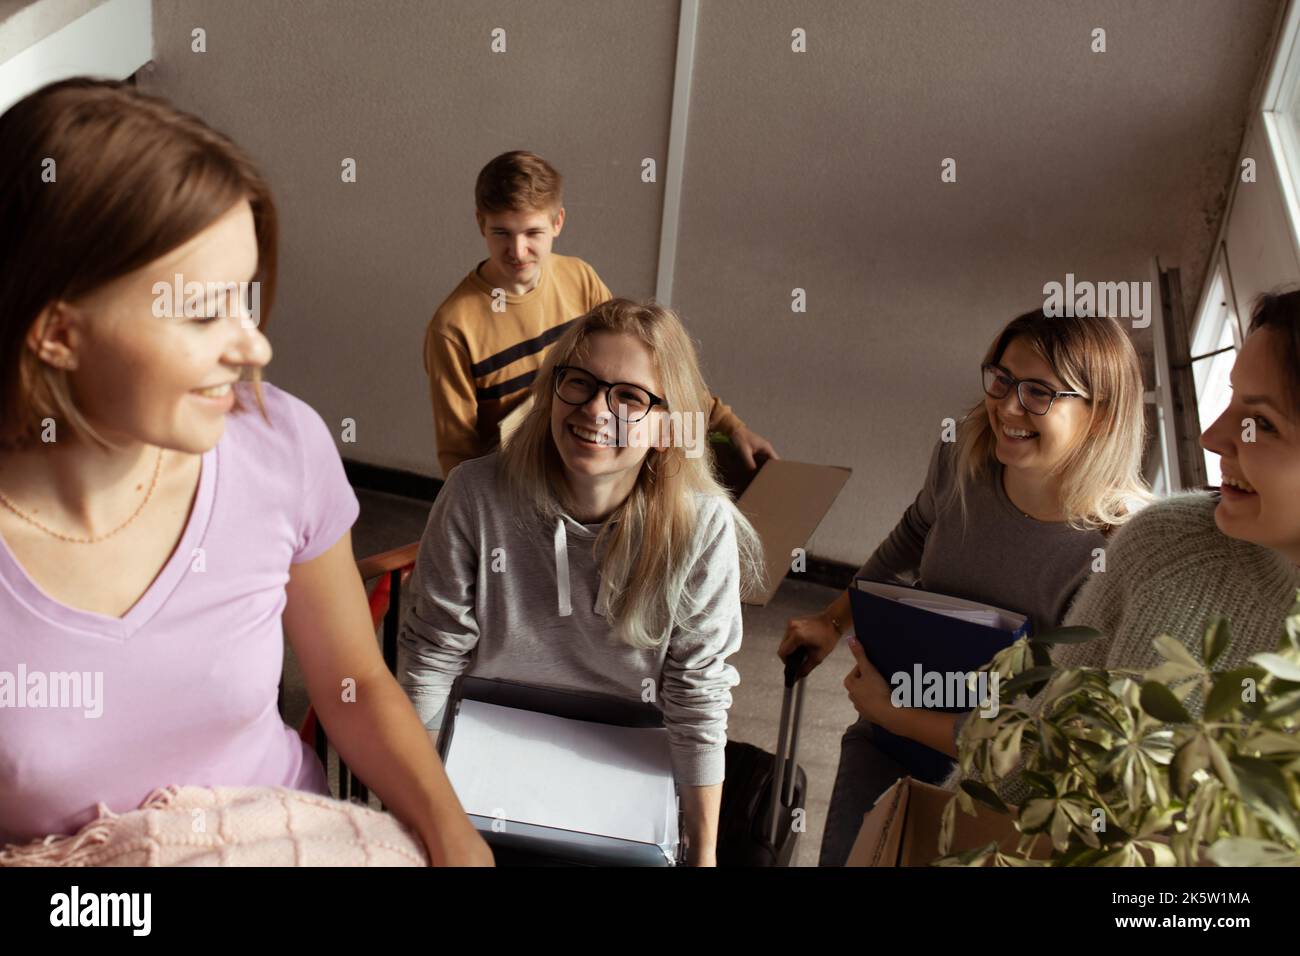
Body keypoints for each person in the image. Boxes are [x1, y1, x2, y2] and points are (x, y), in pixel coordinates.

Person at [0, 78, 490, 865]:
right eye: (201, 313)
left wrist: (451, 834)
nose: (254, 347)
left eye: (246, 300)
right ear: (57, 332)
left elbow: (350, 682)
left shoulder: (279, 443)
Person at [778, 309, 1151, 866]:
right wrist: (832, 621)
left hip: (999, 787)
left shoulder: (1117, 544)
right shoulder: (964, 455)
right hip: (885, 741)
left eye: (1038, 393)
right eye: (1000, 379)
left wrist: (893, 711)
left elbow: (1051, 737)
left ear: (1100, 415)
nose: (1005, 407)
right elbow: (912, 533)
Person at [399, 297, 763, 865]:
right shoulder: (476, 494)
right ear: (552, 390)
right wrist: (412, 816)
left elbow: (698, 696)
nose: (596, 410)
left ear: (668, 425)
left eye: (629, 397)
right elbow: (432, 659)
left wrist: (703, 855)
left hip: (625, 754)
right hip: (488, 744)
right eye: (580, 383)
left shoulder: (702, 528)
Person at [964, 290, 1300, 807]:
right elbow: (1040, 743)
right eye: (1231, 401)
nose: (1212, 436)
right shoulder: (1172, 542)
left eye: (1264, 424)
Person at [423, 150, 776, 475]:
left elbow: (648, 364)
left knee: (707, 463)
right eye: (501, 232)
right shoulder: (453, 327)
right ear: (480, 223)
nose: (518, 250)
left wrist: (732, 428)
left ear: (558, 222)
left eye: (533, 232)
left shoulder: (579, 278)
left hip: (596, 450)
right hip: (520, 477)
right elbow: (458, 452)